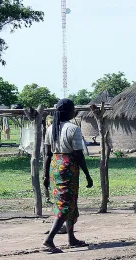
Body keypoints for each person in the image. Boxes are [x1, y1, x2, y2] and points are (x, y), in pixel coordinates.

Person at [43, 98, 93, 253]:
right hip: (68, 167)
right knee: (67, 204)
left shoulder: (51, 128)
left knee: (69, 201)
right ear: (69, 112)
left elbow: (47, 154)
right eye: (73, 109)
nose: (74, 112)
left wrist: (45, 176)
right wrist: (87, 174)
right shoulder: (73, 129)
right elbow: (78, 154)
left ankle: (71, 238)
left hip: (55, 167)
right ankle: (49, 239)